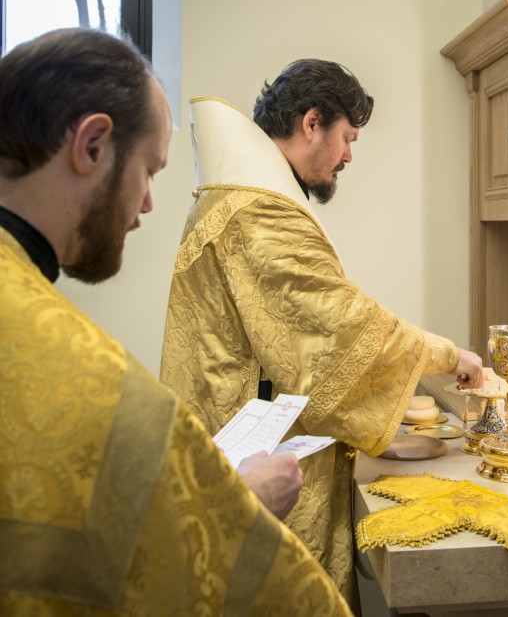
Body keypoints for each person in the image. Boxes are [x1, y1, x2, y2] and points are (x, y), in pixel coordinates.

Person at [0, 28, 352, 616]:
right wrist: (239, 506)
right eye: (149, 170)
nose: (146, 205)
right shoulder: (76, 370)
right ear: (91, 144)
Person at [159, 59, 484, 606]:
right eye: (347, 137)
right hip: (257, 464)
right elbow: (339, 328)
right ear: (312, 123)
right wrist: (448, 354)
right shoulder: (259, 210)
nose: (349, 155)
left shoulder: (240, 198)